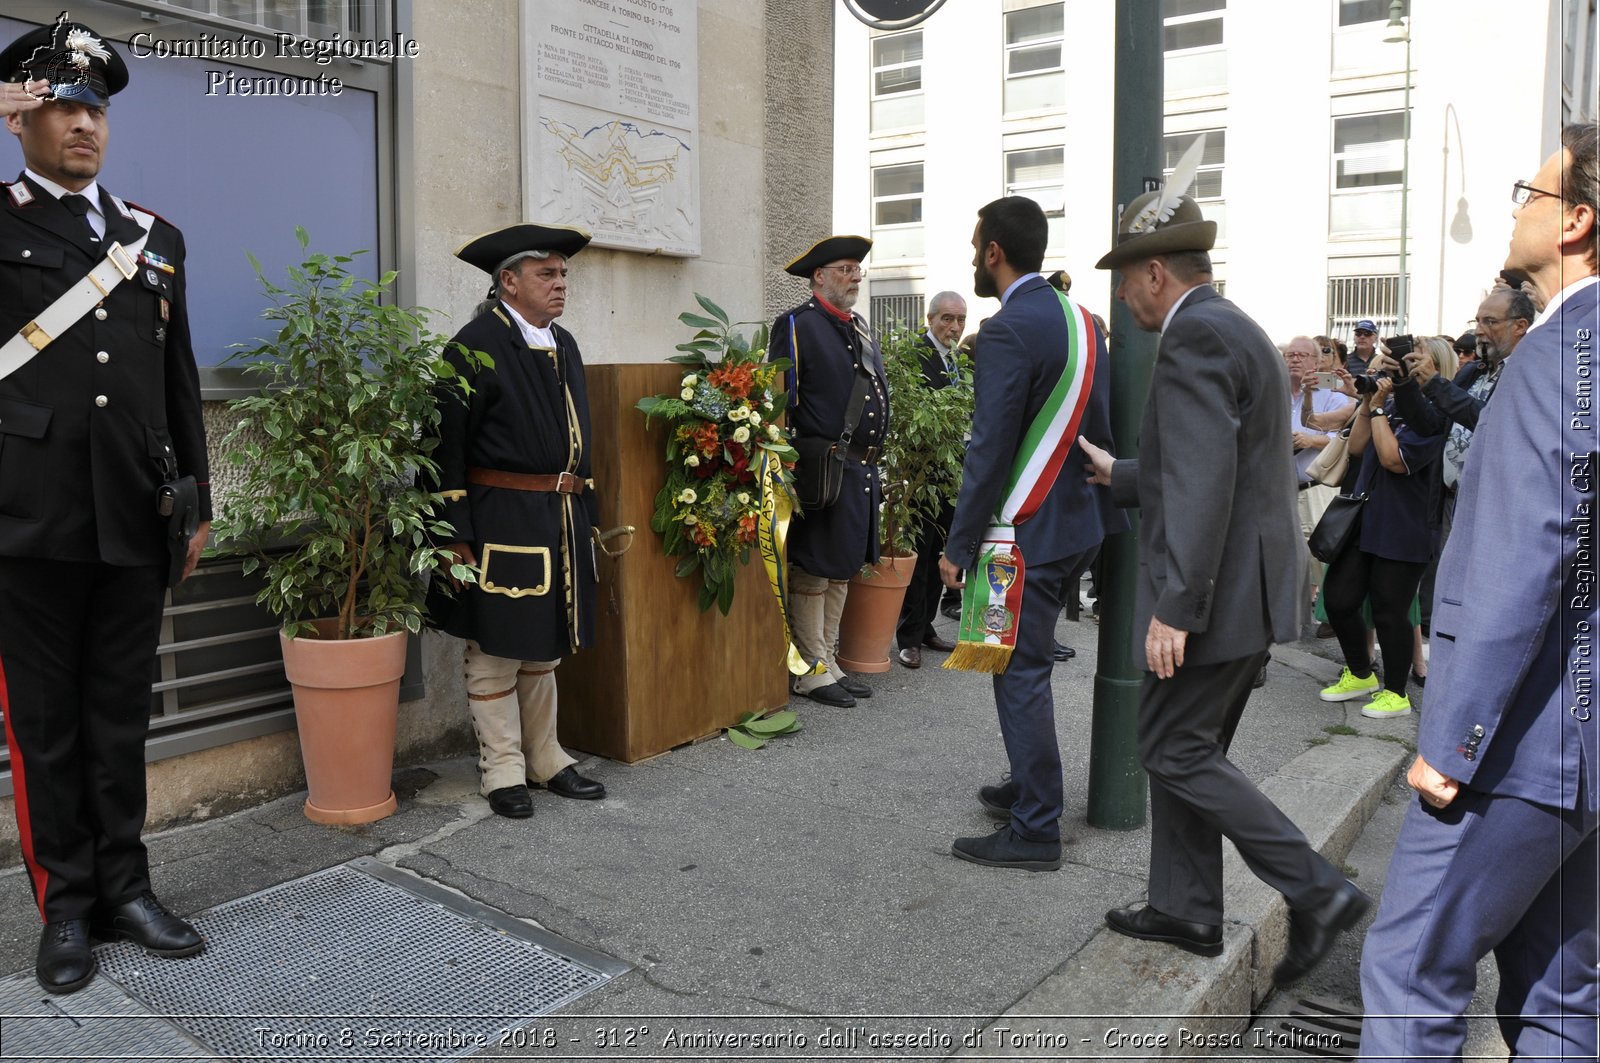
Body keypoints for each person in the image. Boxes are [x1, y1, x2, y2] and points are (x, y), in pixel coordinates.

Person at [1079, 189, 1367, 983]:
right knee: (1187, 748)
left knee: (1170, 747)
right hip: (1248, 587)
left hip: (1214, 596)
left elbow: (1207, 481)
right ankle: (1186, 907)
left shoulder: (1194, 335)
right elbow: (1227, 460)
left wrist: (1177, 607)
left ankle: (1318, 892)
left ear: (1157, 273)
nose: (1122, 292)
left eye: (1127, 276)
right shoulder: (1233, 325)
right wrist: (1124, 473)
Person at [1359, 122, 1600, 1062]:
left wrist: (1452, 740)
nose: (1516, 209)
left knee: (1411, 973)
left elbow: (1521, 559)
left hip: (1515, 749)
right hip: (1581, 751)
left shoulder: (1556, 355)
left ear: (1577, 220)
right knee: (1561, 998)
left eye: (1530, 196)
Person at [0, 19, 210, 994]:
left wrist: (195, 504)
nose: (84, 123)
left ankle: (129, 888)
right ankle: (67, 908)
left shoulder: (153, 237)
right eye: (62, 105)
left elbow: (178, 380)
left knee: (119, 716)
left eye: (96, 108)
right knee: (46, 726)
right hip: (25, 520)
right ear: (20, 119)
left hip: (134, 515)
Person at [937, 196, 1122, 870]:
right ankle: (1027, 780)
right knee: (1016, 658)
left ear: (993, 252)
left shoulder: (1010, 327)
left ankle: (1037, 824)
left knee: (1017, 668)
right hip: (1078, 520)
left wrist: (957, 546)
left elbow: (989, 445)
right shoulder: (1081, 318)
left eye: (975, 244)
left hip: (1025, 528)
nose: (973, 257)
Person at [426, 223, 607, 819]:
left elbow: (581, 442)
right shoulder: (471, 346)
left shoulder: (566, 342)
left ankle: (546, 755)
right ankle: (501, 768)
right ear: (508, 281)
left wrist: (589, 514)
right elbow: (443, 449)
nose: (560, 285)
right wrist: (454, 535)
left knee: (543, 647)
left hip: (557, 516)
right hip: (499, 518)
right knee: (496, 649)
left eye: (562, 275)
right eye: (546, 275)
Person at [769, 235, 887, 708]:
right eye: (844, 268)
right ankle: (811, 669)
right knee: (815, 568)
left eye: (857, 269)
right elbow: (781, 400)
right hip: (822, 467)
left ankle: (830, 661)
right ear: (818, 276)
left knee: (841, 568)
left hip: (858, 468)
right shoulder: (797, 324)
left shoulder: (856, 326)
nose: (855, 275)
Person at [1317, 338, 1451, 717]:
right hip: (1366, 518)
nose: (1389, 375)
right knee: (1340, 598)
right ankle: (1361, 672)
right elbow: (1358, 448)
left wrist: (1378, 411)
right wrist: (1368, 403)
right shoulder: (1388, 404)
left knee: (1391, 612)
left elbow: (1394, 459)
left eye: (1397, 368)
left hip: (1404, 526)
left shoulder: (1435, 414)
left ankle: (1396, 694)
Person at [895, 291, 965, 669]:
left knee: (941, 550)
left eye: (960, 321)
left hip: (951, 472)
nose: (954, 327)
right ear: (930, 318)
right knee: (918, 554)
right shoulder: (916, 355)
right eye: (947, 319)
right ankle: (907, 637)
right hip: (921, 473)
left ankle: (926, 629)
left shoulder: (957, 358)